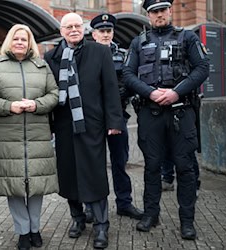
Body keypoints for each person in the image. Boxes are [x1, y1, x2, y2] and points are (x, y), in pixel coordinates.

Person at [122, 0, 209, 240]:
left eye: (162, 10)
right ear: (148, 15)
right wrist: (149, 92)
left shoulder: (187, 38)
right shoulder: (138, 42)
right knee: (151, 167)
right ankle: (151, 214)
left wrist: (176, 92)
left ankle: (187, 221)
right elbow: (128, 74)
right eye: (154, 12)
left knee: (185, 167)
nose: (159, 15)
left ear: (170, 11)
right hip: (151, 114)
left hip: (181, 112)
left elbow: (202, 67)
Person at [44, 13, 124, 249]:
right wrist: (48, 127)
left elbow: (110, 88)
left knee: (95, 173)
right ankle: (78, 219)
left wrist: (115, 122)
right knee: (68, 173)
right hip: (64, 125)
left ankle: (101, 225)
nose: (73, 30)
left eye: (77, 26)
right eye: (68, 27)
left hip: (92, 124)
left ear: (84, 29)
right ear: (61, 31)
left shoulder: (99, 52)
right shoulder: (52, 57)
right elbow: (48, 93)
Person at [0, 24, 59, 250]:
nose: (20, 43)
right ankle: (23, 231)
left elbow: (54, 94)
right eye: (16, 39)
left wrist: (36, 104)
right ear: (9, 41)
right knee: (13, 184)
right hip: (6, 135)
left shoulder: (41, 66)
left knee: (36, 184)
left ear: (30, 42)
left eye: (24, 39)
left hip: (37, 134)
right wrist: (8, 106)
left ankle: (35, 228)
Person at [87, 13, 144, 221]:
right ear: (94, 34)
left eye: (108, 31)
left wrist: (116, 95)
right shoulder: (86, 54)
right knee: (94, 163)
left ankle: (124, 203)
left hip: (117, 114)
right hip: (93, 117)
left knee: (120, 161)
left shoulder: (124, 54)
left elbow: (131, 80)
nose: (105, 34)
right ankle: (90, 206)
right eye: (101, 31)